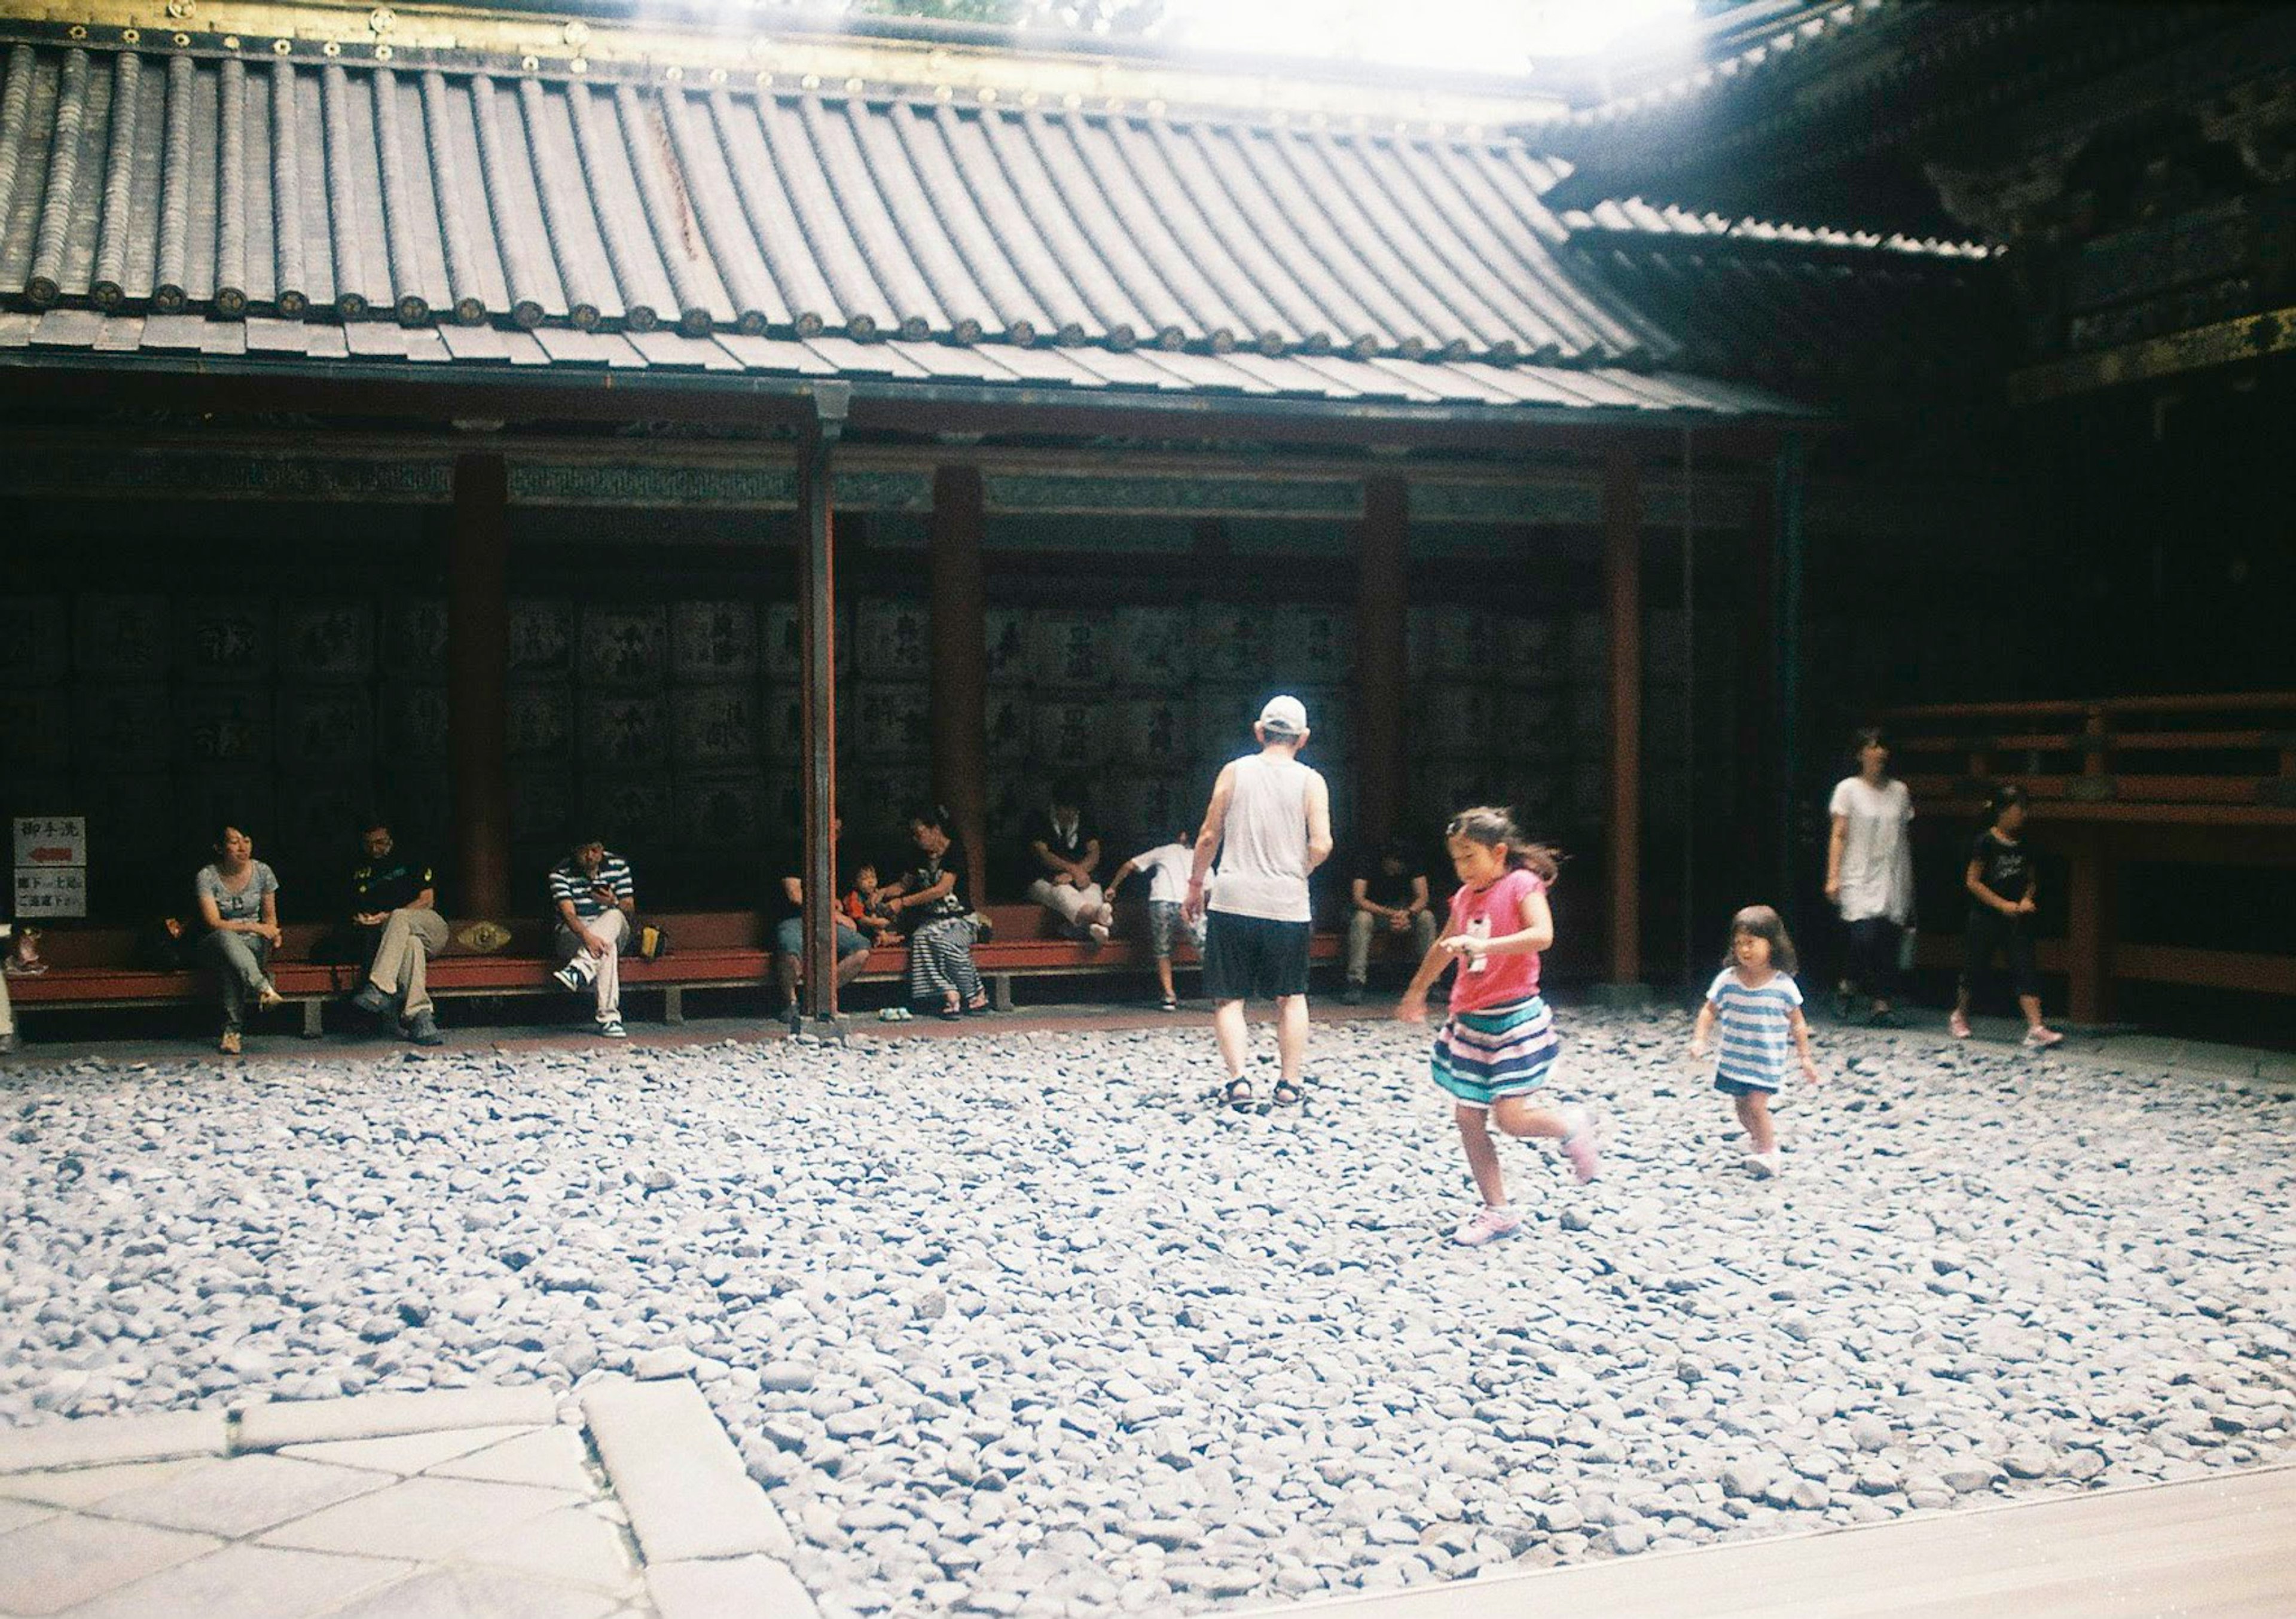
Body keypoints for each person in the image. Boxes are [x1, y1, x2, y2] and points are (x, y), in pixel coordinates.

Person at [1399, 807, 1598, 1245]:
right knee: (1468, 1116)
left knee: (1510, 1118)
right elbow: (1444, 947)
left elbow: (1542, 935)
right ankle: (1498, 1210)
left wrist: (1485, 944)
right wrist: (1416, 990)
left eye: (1470, 857)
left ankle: (1569, 1127)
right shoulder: (1466, 897)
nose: (1463, 868)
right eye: (1456, 859)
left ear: (1499, 852)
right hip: (1469, 1021)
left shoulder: (1521, 885)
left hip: (1514, 1019)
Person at [1186, 695, 1332, 1110]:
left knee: (1229, 997)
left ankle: (1239, 1082)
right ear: (1303, 738)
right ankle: (1288, 1083)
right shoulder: (1311, 781)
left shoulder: (1235, 772)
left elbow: (1208, 836)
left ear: (1258, 731)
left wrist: (1196, 883)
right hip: (1287, 903)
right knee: (1291, 996)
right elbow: (1322, 843)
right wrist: (1295, 871)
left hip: (1233, 898)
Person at [1691, 905, 1823, 1179]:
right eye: (1739, 943)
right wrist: (1700, 1039)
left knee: (1756, 1105)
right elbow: (1709, 1010)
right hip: (1734, 1058)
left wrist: (1805, 1057)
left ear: (1772, 944)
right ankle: (1758, 1139)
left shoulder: (1782, 985)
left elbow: (1797, 1022)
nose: (1744, 950)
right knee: (1740, 1106)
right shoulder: (1727, 981)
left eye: (1751, 942)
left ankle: (1770, 1153)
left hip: (1766, 1060)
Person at [1951, 784, 2063, 1049]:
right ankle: (1960, 1014)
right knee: (1974, 968)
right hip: (1986, 916)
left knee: (2026, 968)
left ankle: (2036, 1026)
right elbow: (1973, 881)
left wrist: (2026, 899)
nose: (2024, 814)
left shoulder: (2026, 844)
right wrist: (2001, 904)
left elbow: (2031, 880)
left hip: (2017, 919)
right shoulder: (1985, 842)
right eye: (2019, 809)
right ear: (2003, 811)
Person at [1825, 726, 1915, 1026]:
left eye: (1882, 747)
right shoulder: (1848, 789)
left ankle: (1881, 1004)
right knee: (1864, 935)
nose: (1879, 753)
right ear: (1860, 754)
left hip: (1892, 870)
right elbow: (1839, 834)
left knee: (1888, 937)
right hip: (1858, 869)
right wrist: (1833, 875)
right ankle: (1848, 983)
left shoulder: (1900, 791)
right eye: (1873, 747)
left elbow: (1904, 834)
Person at [340, 818, 445, 1047]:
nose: (375, 849)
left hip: (430, 927)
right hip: (397, 941)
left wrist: (390, 916)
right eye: (369, 844)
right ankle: (420, 1016)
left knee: (399, 917)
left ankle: (380, 987)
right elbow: (356, 908)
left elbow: (427, 901)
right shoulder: (361, 870)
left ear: (391, 839)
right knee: (411, 945)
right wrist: (364, 919)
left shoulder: (411, 857)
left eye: (380, 842)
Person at [878, 805, 988, 1019]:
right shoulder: (917, 855)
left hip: (960, 919)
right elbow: (903, 885)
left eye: (919, 834)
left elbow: (942, 889)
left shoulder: (955, 852)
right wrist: (881, 892)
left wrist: (904, 902)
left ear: (935, 830)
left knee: (945, 943)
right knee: (920, 940)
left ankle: (976, 993)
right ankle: (950, 994)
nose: (916, 840)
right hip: (932, 920)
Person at [771, 817, 875, 1034]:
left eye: (837, 832)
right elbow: (795, 895)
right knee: (790, 948)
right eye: (830, 831)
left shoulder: (840, 858)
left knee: (861, 949)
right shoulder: (793, 852)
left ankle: (820, 995)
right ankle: (791, 1002)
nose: (833, 836)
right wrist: (833, 914)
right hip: (796, 919)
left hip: (828, 920)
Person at [194, 823, 286, 1056]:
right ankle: (262, 987)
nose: (242, 847)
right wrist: (256, 927)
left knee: (233, 963)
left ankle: (232, 1032)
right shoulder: (207, 876)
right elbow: (213, 922)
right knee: (227, 940)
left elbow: (270, 918)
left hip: (254, 945)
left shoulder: (263, 872)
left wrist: (273, 933)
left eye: (246, 840)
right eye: (234, 842)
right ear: (219, 847)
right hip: (217, 943)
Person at [1105, 827, 1208, 1012]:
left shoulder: (1164, 851)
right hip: (1188, 901)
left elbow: (1129, 865)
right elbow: (1208, 889)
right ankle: (1220, 993)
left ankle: (1169, 994)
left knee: (1163, 950)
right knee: (1204, 948)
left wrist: (1113, 887)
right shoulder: (1200, 856)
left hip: (1162, 898)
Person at [548, 836, 635, 1040]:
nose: (589, 856)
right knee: (607, 948)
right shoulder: (560, 873)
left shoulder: (618, 867)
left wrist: (613, 900)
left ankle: (579, 970)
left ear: (602, 849)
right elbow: (568, 915)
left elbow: (630, 912)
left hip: (613, 924)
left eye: (595, 850)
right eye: (584, 851)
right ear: (574, 851)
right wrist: (588, 937)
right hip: (576, 934)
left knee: (614, 915)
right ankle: (609, 1019)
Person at [1344, 837, 1437, 1004]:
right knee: (1361, 919)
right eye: (1394, 866)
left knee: (1427, 918)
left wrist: (1407, 913)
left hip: (1404, 912)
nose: (1396, 871)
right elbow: (1359, 898)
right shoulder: (1368, 860)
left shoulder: (1412, 861)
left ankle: (1432, 982)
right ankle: (1355, 982)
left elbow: (1423, 897)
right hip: (1374, 911)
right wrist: (1389, 913)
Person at [1025, 783, 1113, 945]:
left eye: (1074, 809)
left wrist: (1076, 874)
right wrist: (1071, 869)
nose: (1070, 814)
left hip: (1080, 877)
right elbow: (1043, 854)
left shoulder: (1085, 821)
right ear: (1056, 806)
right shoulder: (1038, 820)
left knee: (1092, 889)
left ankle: (1092, 927)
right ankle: (1096, 917)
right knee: (1063, 892)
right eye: (1066, 808)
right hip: (1045, 879)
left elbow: (1094, 853)